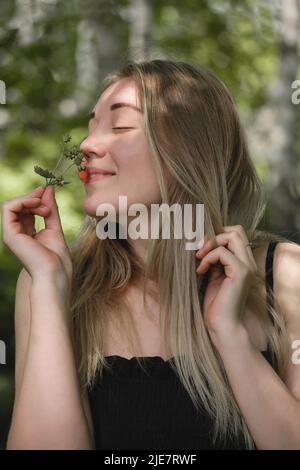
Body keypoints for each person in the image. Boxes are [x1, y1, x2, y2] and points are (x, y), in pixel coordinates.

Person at [2, 59, 300, 450]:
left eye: (121, 126)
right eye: (91, 128)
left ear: (190, 150)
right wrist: (47, 286)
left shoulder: (284, 275)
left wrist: (231, 336)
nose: (87, 145)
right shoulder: (52, 280)